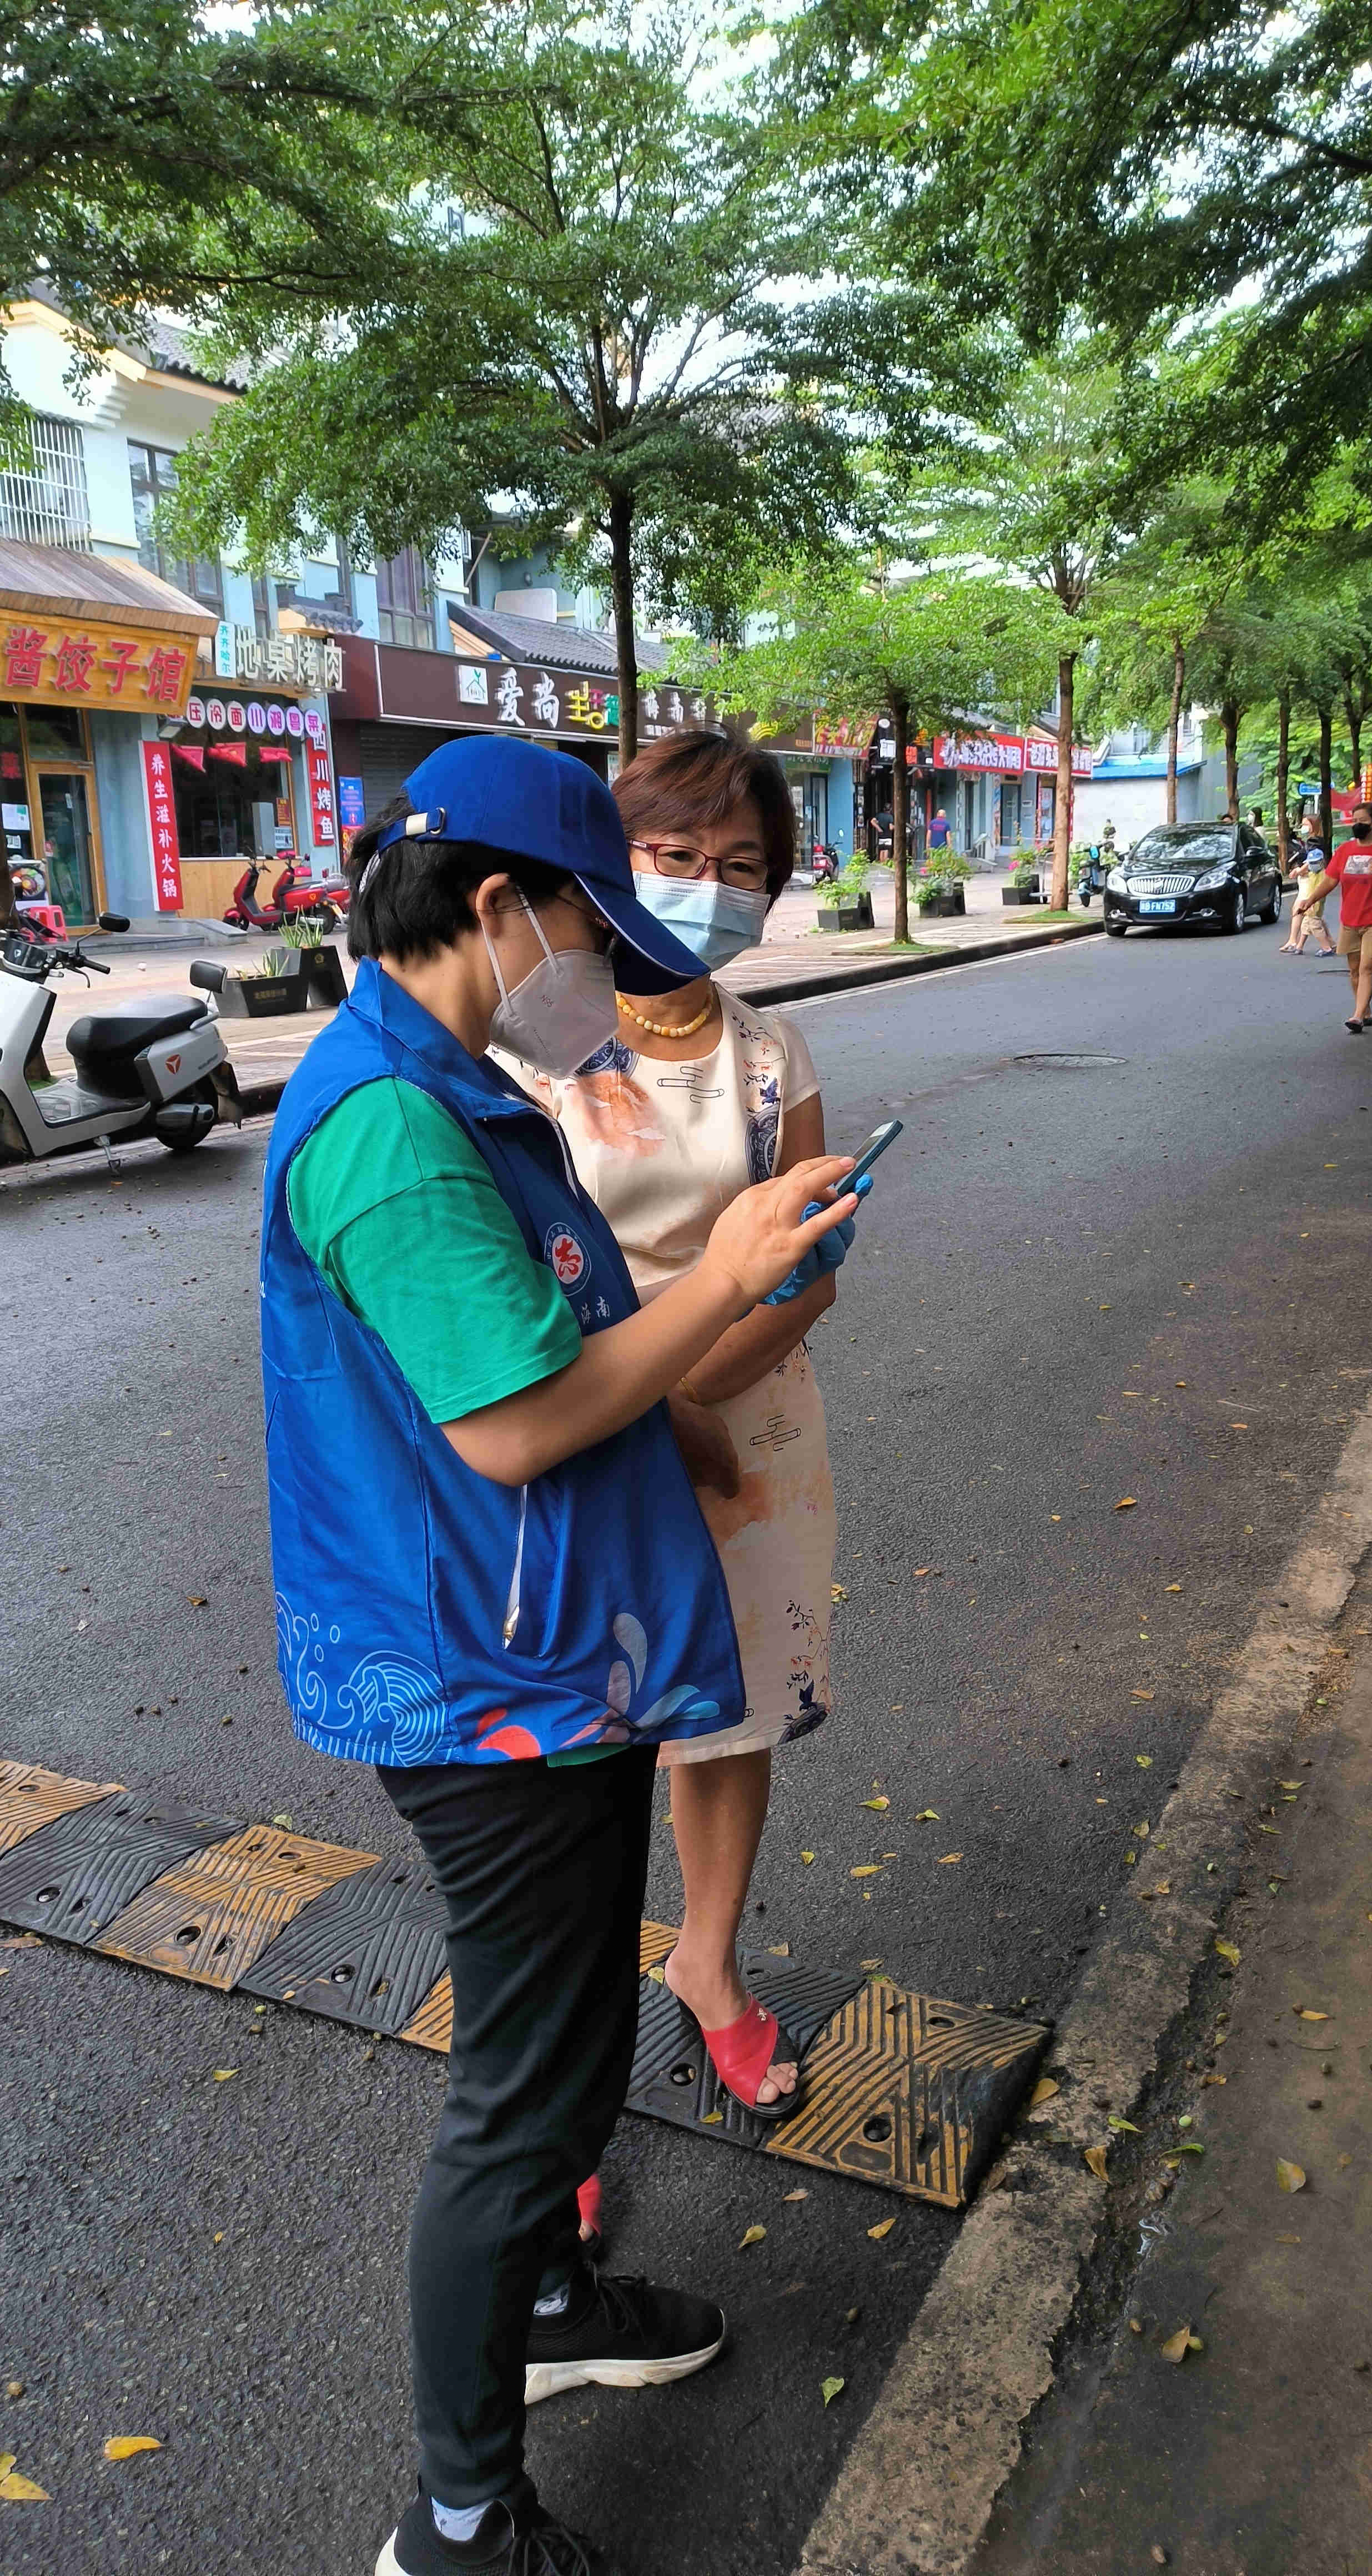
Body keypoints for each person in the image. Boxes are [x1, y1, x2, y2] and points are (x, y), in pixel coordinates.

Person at [258, 734, 857, 2576]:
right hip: (478, 1681)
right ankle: (457, 2523)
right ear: (502, 907)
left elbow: (556, 1339)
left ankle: (544, 2305)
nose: (606, 964)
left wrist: (709, 1332)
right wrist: (726, 1270)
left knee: (574, 2032)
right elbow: (517, 1422)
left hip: (541, 1656)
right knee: (519, 2099)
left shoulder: (451, 1081)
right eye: (595, 924)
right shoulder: (389, 1125)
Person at [511, 731, 853, 2155]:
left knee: (730, 1712)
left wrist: (707, 1402)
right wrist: (657, 1409)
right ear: (612, 854)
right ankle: (555, 2092)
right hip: (578, 1422)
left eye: (740, 865)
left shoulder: (771, 1051)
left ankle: (706, 1960)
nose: (708, 885)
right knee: (572, 1747)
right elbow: (509, 1275)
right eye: (674, 853)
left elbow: (808, 1268)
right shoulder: (530, 1039)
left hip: (752, 1423)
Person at [1321, 798, 1372, 1031]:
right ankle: (1366, 1012)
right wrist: (1309, 900)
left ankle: (1358, 1016)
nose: (1358, 824)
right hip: (1350, 918)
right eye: (1355, 820)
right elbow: (1330, 880)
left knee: (1367, 968)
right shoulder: (1345, 850)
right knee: (1354, 970)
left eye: (1364, 820)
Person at [1282, 838, 1335, 956]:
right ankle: (1299, 947)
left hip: (1315, 904)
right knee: (1305, 925)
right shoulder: (1313, 873)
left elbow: (1320, 891)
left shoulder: (1323, 875)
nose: (1312, 865)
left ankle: (1326, 948)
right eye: (1311, 863)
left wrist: (1311, 902)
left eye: (1314, 863)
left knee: (1315, 926)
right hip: (1310, 903)